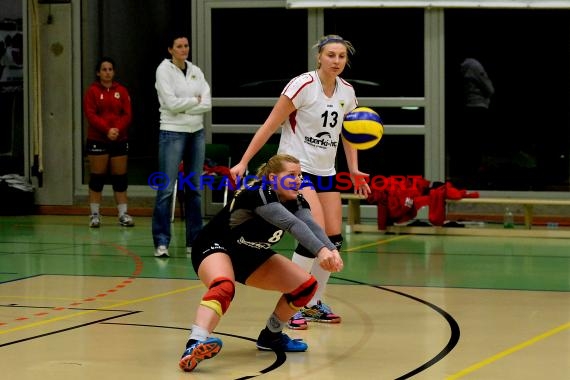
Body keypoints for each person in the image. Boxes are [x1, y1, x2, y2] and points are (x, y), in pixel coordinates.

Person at [230, 34, 371, 330]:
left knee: (332, 239)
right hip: (296, 170)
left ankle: (312, 303)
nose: (336, 61)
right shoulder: (302, 85)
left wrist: (354, 169)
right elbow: (270, 125)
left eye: (341, 57)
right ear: (319, 57)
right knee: (312, 232)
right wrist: (244, 161)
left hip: (326, 172)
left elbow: (350, 134)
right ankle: (294, 298)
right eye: (330, 55)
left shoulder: (347, 91)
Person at [178, 154, 343, 372]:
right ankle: (194, 344)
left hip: (249, 254)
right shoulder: (257, 193)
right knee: (223, 286)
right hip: (216, 246)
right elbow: (292, 224)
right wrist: (321, 252)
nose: (298, 180)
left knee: (306, 287)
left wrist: (331, 249)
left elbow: (310, 225)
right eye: (291, 175)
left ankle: (271, 336)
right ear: (273, 178)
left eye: (300, 175)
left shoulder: (297, 200)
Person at [152, 32, 212, 258]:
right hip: (172, 133)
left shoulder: (196, 71)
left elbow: (206, 102)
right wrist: (191, 103)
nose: (184, 49)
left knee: (194, 189)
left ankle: (194, 241)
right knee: (166, 189)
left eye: (186, 45)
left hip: (195, 133)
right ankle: (161, 242)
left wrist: (185, 106)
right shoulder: (163, 70)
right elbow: (170, 103)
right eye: (179, 46)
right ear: (170, 49)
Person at [83, 56, 134, 228]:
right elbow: (91, 114)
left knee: (120, 178)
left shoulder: (122, 91)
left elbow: (127, 114)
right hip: (98, 139)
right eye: (104, 69)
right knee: (97, 178)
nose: (107, 72)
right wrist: (107, 130)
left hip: (119, 138)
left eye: (110, 69)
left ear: (114, 72)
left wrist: (117, 130)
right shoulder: (92, 91)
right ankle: (95, 215)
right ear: (98, 73)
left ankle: (123, 214)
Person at [459, 57, 495, 186]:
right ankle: (476, 173)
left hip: (470, 107)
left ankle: (471, 172)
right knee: (478, 143)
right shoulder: (473, 65)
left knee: (472, 143)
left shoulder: (464, 66)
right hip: (478, 107)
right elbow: (489, 88)